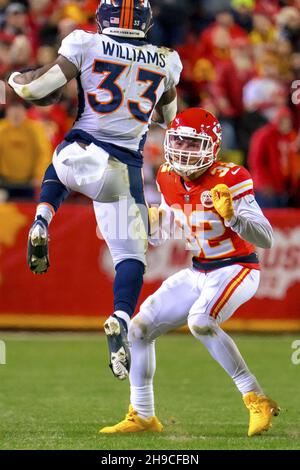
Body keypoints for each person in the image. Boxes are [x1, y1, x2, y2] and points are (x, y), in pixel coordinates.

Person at [8, 0, 182, 380]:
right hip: (123, 175)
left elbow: (39, 86)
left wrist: (14, 80)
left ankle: (42, 218)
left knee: (59, 161)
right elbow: (172, 121)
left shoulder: (86, 43)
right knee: (131, 258)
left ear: (104, 16)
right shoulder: (166, 60)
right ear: (145, 21)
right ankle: (120, 315)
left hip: (81, 155)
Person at [100, 108, 280, 437]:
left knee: (201, 321)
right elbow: (165, 228)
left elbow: (266, 237)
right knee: (139, 328)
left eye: (193, 143)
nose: (183, 149)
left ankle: (256, 398)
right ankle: (142, 415)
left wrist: (235, 218)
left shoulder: (233, 177)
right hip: (198, 271)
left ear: (212, 147)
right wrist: (151, 223)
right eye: (179, 140)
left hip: (237, 267)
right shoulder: (167, 176)